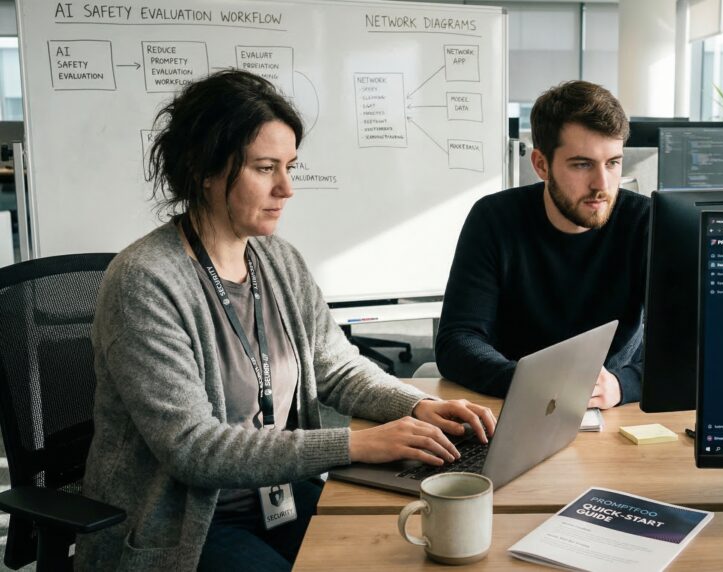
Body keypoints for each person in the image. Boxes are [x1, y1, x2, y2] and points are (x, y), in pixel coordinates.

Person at [78, 69, 496, 571]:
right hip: (186, 527)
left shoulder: (277, 260)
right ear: (205, 169)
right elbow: (192, 449)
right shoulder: (144, 282)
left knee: (401, 556)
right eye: (264, 168)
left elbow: (337, 368)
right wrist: (355, 444)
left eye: (290, 166)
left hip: (276, 499)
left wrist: (418, 405)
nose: (286, 188)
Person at [434, 80, 649, 409]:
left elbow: (692, 346)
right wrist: (532, 383)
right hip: (516, 403)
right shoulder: (494, 219)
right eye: (582, 164)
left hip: (613, 406)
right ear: (541, 165)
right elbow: (458, 341)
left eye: (613, 163)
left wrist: (623, 385)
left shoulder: (644, 221)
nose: (602, 185)